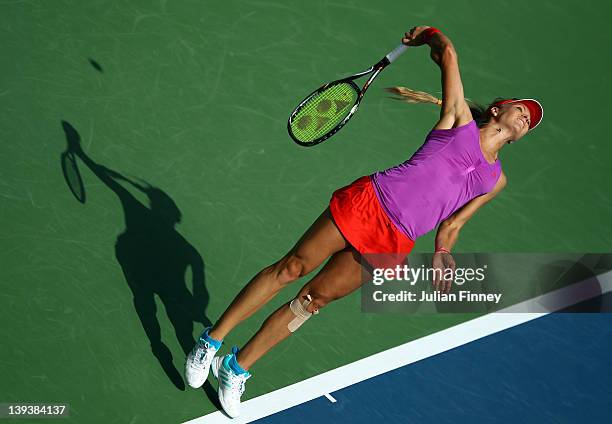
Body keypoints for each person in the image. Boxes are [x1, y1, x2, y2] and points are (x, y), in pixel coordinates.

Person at [185, 25, 544, 418]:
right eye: (522, 109)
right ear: (498, 110)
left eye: (531, 121)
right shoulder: (457, 119)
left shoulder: (496, 180)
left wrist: (443, 252)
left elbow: (453, 224)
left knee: (313, 301)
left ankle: (237, 368)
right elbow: (450, 54)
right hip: (370, 202)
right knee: (292, 267)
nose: (526, 118)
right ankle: (211, 341)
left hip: (394, 241)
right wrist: (428, 35)